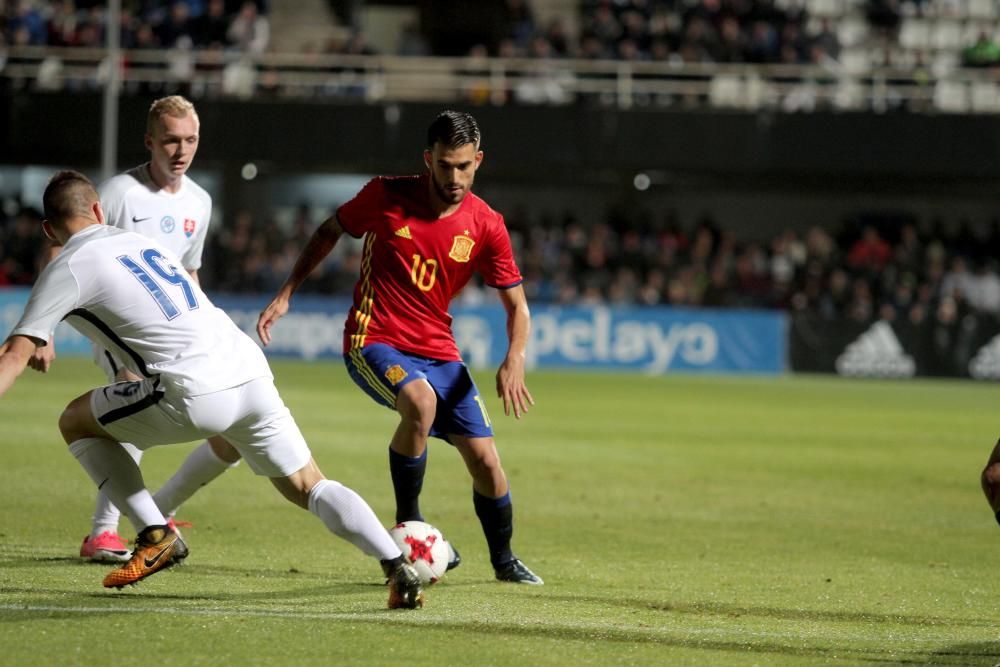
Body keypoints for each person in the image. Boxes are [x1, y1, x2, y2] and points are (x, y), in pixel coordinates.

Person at [0, 170, 423, 608]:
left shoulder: (66, 264)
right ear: (98, 210)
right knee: (308, 484)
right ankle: (397, 564)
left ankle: (156, 533)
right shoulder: (140, 243)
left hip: (194, 389)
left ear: (50, 229)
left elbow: (13, 357)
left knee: (76, 421)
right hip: (249, 371)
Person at [257, 110, 543, 585]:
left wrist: (515, 356)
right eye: (446, 165)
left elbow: (518, 306)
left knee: (487, 462)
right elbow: (330, 229)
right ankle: (407, 527)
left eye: (465, 166)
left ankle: (504, 561)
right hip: (374, 339)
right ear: (428, 159)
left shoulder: (487, 224)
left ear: (479, 161)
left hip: (440, 350)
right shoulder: (385, 196)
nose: (455, 177)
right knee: (420, 400)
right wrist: (288, 291)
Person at [32, 95, 245, 563]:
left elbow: (189, 272)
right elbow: (62, 251)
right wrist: (43, 330)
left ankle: (158, 513)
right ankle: (103, 532)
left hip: (177, 331)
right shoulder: (119, 193)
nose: (181, 150)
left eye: (190, 139)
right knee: (131, 390)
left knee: (231, 431)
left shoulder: (200, 201)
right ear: (150, 141)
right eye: (170, 140)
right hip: (120, 326)